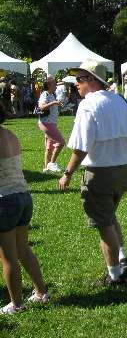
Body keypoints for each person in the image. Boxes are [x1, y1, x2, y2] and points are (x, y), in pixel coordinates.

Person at [58, 59, 127, 287]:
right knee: (110, 216)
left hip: (100, 173)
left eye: (80, 79)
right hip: (123, 171)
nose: (76, 84)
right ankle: (122, 259)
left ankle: (115, 276)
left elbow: (82, 146)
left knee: (104, 224)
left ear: (92, 80)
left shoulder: (88, 104)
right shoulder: (121, 101)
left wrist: (67, 172)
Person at [0, 102, 50, 315]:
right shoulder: (10, 134)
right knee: (23, 249)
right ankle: (40, 293)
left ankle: (17, 304)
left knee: (8, 256)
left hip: (4, 200)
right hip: (23, 196)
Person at [38, 78, 66, 173]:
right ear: (49, 85)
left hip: (51, 122)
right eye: (54, 84)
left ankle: (46, 167)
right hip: (46, 123)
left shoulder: (51, 95)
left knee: (49, 147)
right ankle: (52, 163)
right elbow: (41, 107)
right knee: (61, 142)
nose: (56, 86)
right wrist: (54, 102)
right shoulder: (45, 94)